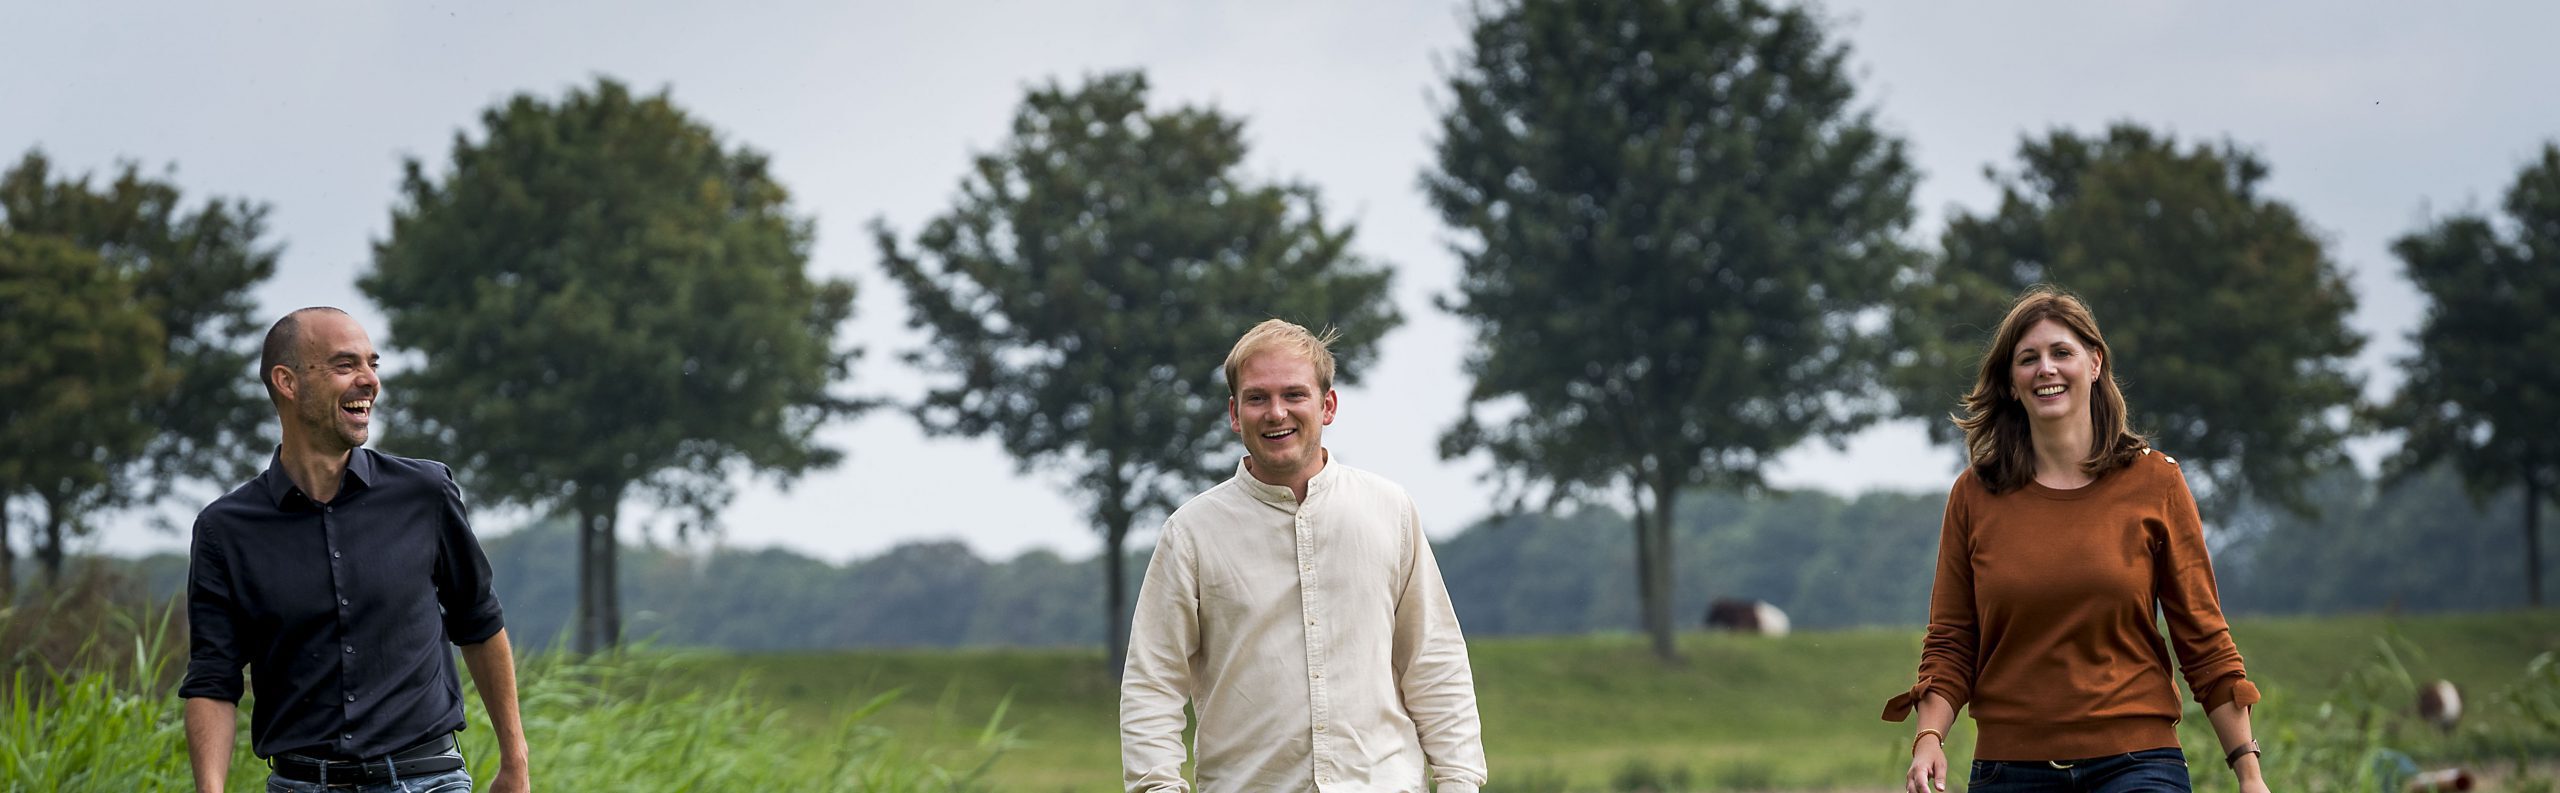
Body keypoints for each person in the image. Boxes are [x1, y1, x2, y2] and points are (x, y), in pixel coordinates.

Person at [1883, 286, 2269, 793]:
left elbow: (2203, 639)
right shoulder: (1974, 495)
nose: (2046, 369)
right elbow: (1952, 641)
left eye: (2060, 352)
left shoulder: (2156, 482)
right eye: (2028, 359)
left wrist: (2249, 771)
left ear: (2094, 363)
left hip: (2138, 764)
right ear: (2010, 383)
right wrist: (1929, 738)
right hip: (2009, 769)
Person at [1121, 319, 1488, 793]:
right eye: (1257, 398)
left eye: (1294, 394)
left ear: (1327, 405)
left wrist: (1460, 781)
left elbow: (1433, 658)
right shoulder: (1190, 533)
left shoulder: (1389, 509)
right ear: (1235, 413)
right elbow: (1153, 681)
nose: (1276, 412)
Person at [181, 307, 530, 793]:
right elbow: (213, 679)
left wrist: (515, 764)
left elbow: (478, 620)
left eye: (373, 364)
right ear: (288, 381)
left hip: (427, 781)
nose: (370, 381)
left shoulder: (425, 492)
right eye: (346, 365)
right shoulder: (225, 529)